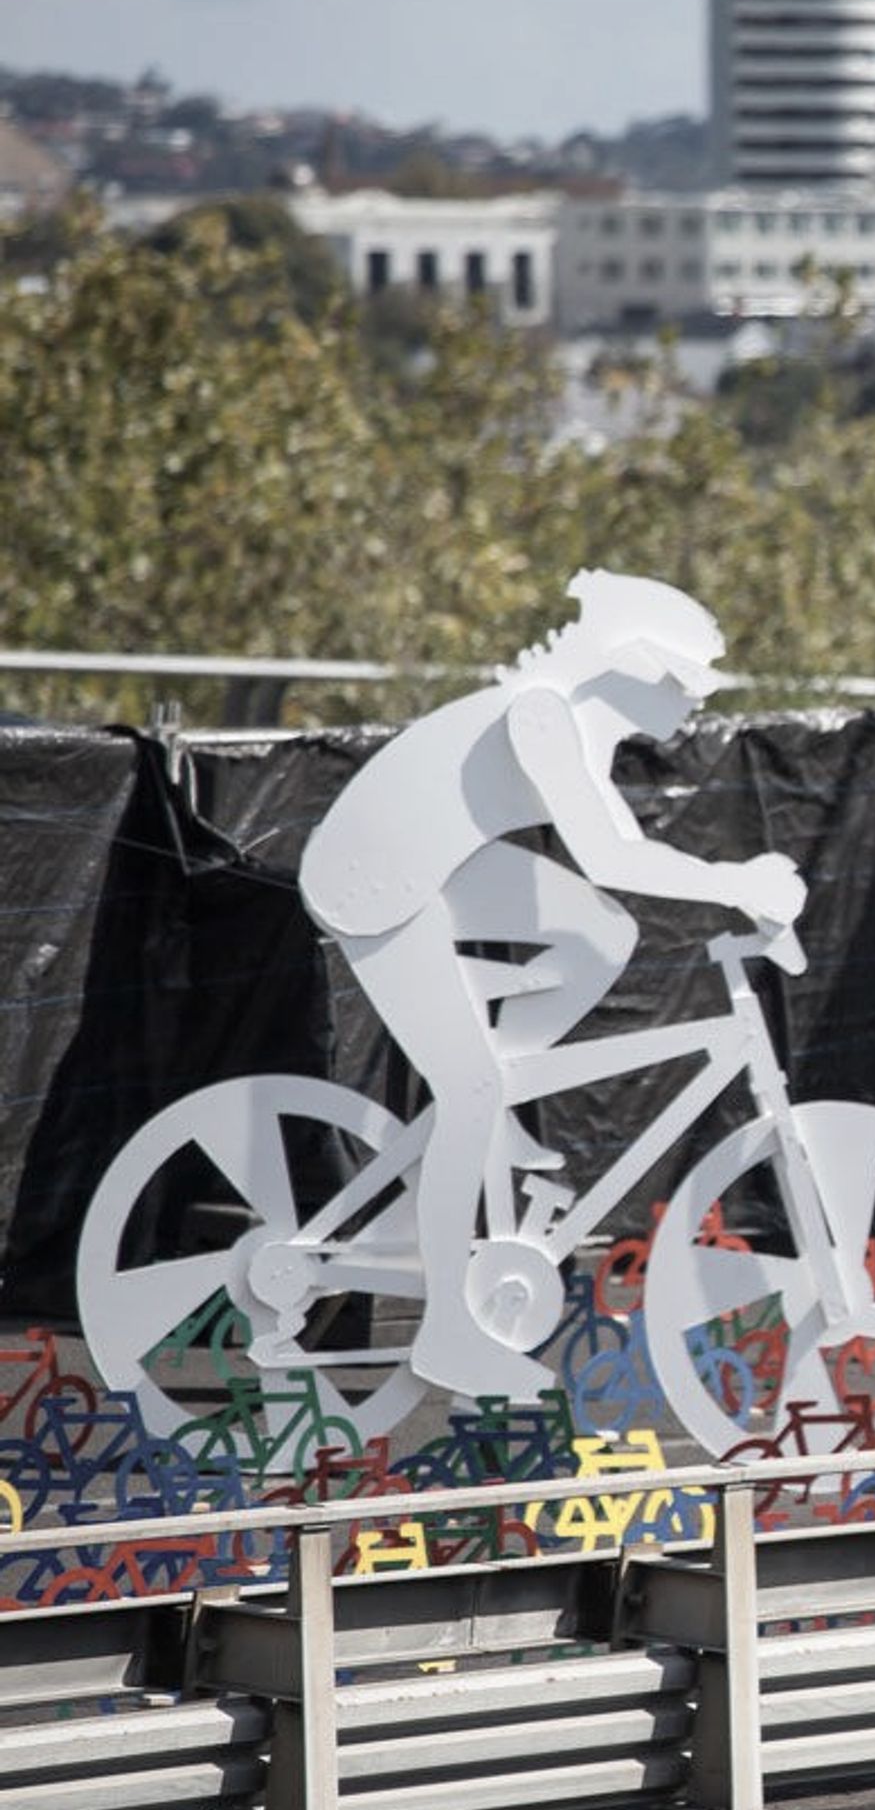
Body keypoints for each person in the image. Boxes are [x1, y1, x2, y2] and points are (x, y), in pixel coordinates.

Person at [299, 570, 804, 1400]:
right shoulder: (542, 715)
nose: (695, 708)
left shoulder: (578, 730)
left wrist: (735, 885)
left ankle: (495, 1090)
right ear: (632, 669)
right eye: (683, 686)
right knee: (468, 1090)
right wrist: (737, 882)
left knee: (601, 934)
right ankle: (446, 1336)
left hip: (431, 864)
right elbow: (612, 858)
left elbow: (618, 855)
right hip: (375, 878)